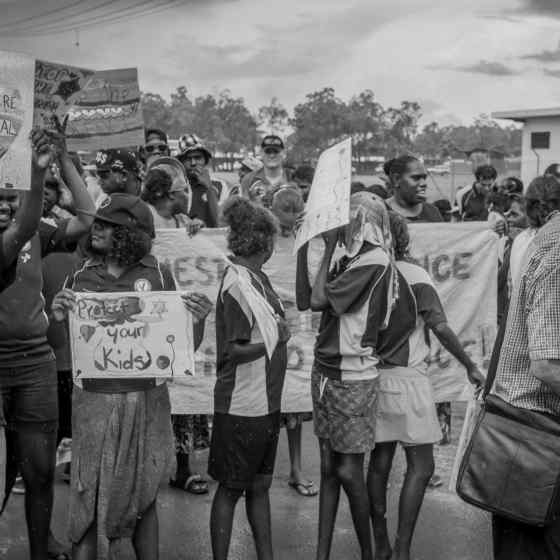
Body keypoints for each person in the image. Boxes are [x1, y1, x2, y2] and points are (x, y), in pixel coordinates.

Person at [50, 193, 212, 559]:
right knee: (86, 493)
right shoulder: (80, 277)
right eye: (99, 223)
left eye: (108, 225)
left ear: (131, 234)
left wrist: (197, 321)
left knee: (144, 495)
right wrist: (58, 318)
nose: (97, 229)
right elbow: (63, 347)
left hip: (147, 402)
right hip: (92, 402)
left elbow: (180, 349)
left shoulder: (157, 274)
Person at [299, 193, 415, 560]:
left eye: (348, 216)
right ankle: (323, 553)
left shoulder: (375, 261)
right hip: (328, 371)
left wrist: (330, 243)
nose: (341, 222)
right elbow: (306, 299)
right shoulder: (351, 260)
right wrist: (306, 245)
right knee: (330, 468)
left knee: (348, 471)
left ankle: (371, 552)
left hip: (352, 375)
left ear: (364, 221)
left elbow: (319, 301)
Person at [0, 126, 95, 560]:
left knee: (39, 471)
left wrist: (67, 162)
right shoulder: (17, 234)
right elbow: (18, 231)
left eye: (10, 196)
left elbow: (88, 219)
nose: (4, 203)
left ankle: (42, 547)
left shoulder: (35, 227)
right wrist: (38, 179)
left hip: (35, 363)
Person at [368, 212, 484, 560]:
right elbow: (441, 327)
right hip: (408, 381)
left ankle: (380, 543)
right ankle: (402, 547)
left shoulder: (363, 273)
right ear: (402, 237)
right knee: (422, 466)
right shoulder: (414, 274)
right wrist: (470, 366)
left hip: (373, 377)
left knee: (379, 463)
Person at [209, 197, 290, 560]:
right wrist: (276, 338)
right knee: (231, 489)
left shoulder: (257, 278)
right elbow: (234, 351)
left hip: (265, 402)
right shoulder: (239, 284)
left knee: (260, 485)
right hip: (243, 404)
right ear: (264, 242)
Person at [490, 175, 560, 559]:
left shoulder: (546, 241)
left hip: (529, 430)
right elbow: (547, 365)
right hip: (534, 432)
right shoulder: (557, 252)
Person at [140, 166, 210, 495]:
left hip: (181, 317)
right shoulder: (144, 218)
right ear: (168, 194)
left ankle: (182, 469)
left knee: (182, 384)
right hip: (149, 319)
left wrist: (196, 231)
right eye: (184, 190)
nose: (189, 195)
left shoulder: (183, 223)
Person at [177, 134, 220, 228]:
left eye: (198, 158)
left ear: (205, 160)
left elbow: (220, 222)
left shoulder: (220, 185)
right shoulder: (176, 188)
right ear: (180, 162)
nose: (193, 163)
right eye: (188, 159)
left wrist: (209, 188)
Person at [385, 156, 443, 223]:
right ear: (397, 179)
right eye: (416, 178)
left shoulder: (433, 212)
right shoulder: (379, 212)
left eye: (424, 178)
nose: (424, 183)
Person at [241, 135, 289, 201]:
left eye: (276, 151)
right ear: (261, 153)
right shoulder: (248, 180)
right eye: (268, 151)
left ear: (283, 153)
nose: (272, 155)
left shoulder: (292, 179)